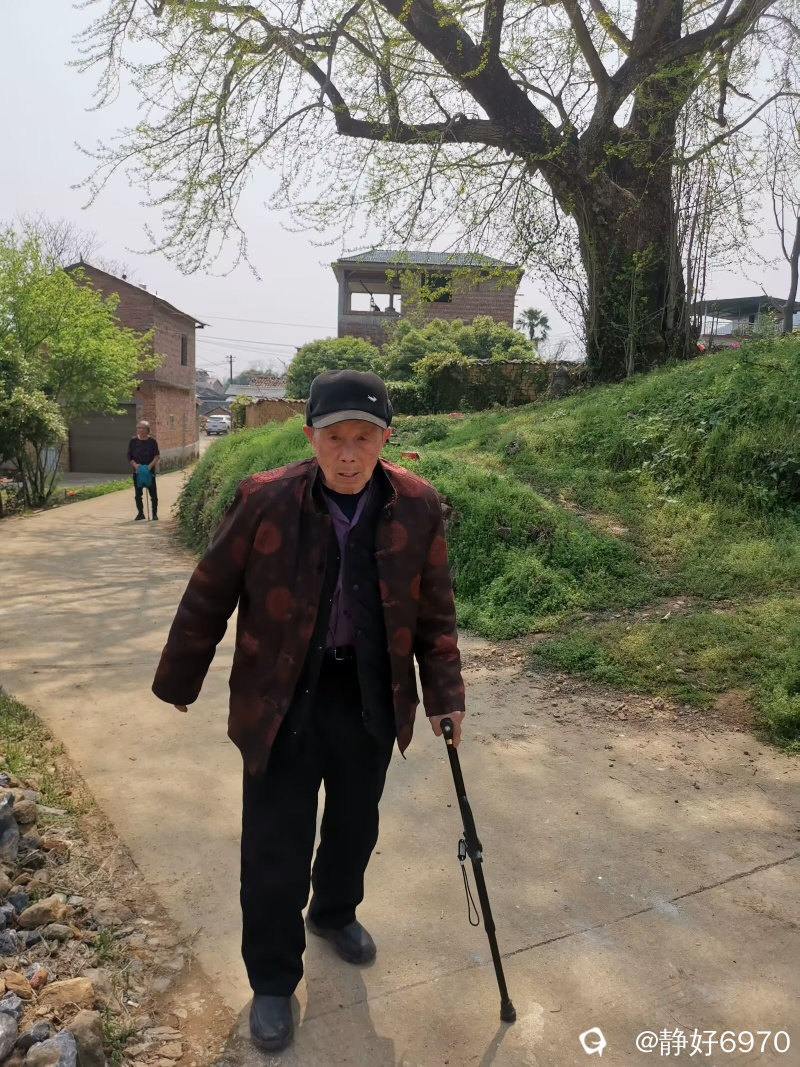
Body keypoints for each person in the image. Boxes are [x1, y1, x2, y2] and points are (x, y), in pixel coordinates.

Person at [151, 370, 466, 1052]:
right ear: (309, 437)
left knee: (355, 825)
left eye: (363, 438)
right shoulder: (264, 500)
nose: (348, 455)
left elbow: (435, 610)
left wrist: (445, 695)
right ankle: (272, 978)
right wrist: (180, 677)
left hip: (369, 693)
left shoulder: (416, 505)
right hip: (280, 697)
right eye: (334, 438)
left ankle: (333, 912)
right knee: (276, 843)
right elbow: (210, 590)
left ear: (386, 438)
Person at [127, 420, 159, 520]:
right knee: (138, 494)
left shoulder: (152, 441)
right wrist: (135, 466)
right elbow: (129, 456)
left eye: (143, 428)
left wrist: (149, 467)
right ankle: (140, 513)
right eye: (139, 428)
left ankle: (154, 514)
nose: (141, 430)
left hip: (149, 471)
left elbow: (157, 456)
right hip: (137, 471)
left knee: (153, 494)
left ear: (148, 430)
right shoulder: (133, 441)